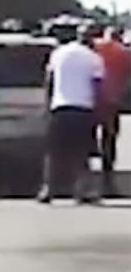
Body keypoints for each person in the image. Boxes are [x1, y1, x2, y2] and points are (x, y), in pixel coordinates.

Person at [37, 24, 105, 204]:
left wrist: (47, 105)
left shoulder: (58, 53)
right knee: (82, 152)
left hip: (59, 107)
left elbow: (49, 81)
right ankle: (82, 191)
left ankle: (48, 189)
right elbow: (97, 87)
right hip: (83, 108)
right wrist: (99, 112)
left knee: (54, 151)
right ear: (91, 39)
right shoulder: (94, 59)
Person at [93, 25, 131, 195]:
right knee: (109, 140)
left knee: (86, 139)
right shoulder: (125, 53)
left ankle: (82, 182)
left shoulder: (94, 48)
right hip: (112, 102)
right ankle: (107, 180)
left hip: (91, 100)